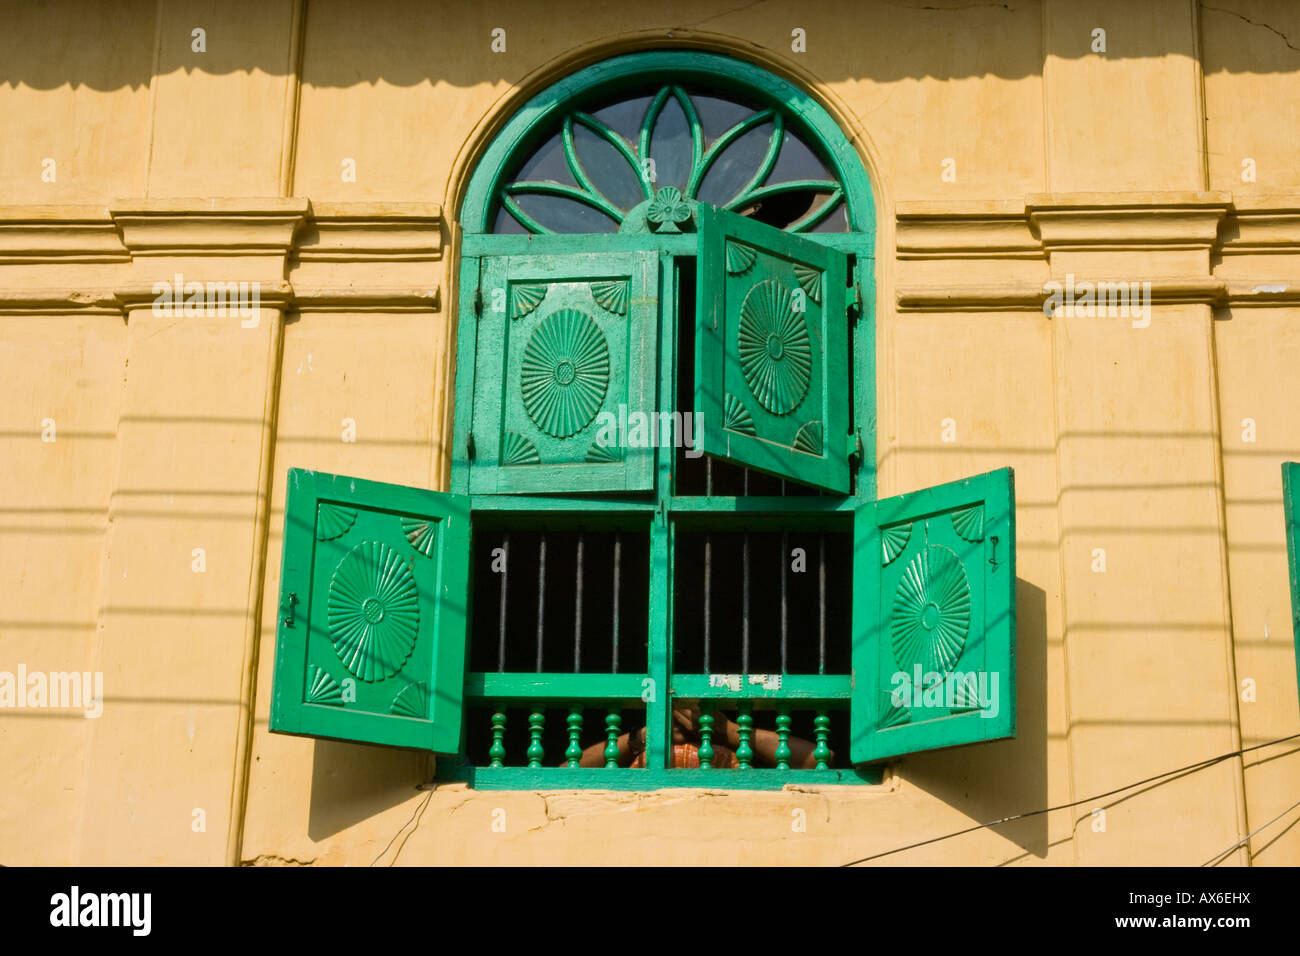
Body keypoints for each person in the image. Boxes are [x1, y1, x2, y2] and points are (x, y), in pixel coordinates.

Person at [570, 703, 826, 769]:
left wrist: (728, 731)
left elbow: (818, 759)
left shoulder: (734, 749)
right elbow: (568, 770)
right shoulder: (648, 745)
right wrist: (643, 736)